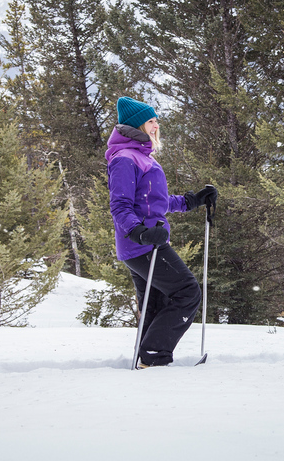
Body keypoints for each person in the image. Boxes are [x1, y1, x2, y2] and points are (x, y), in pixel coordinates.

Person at [106, 96, 217, 368]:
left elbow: (153, 201)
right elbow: (120, 204)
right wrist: (138, 232)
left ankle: (146, 360)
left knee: (156, 304)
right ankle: (154, 355)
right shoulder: (125, 158)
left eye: (156, 120)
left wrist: (191, 201)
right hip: (143, 244)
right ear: (137, 126)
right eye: (151, 121)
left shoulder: (141, 157)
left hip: (144, 242)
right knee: (187, 292)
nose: (157, 125)